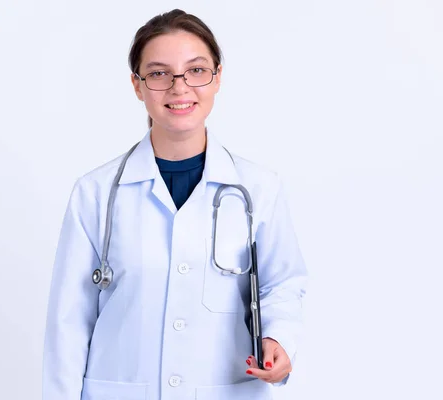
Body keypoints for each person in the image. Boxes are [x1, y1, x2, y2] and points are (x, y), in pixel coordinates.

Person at [42, 9, 308, 400]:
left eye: (196, 70)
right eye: (159, 73)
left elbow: (283, 282)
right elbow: (68, 323)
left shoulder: (259, 189)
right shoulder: (95, 193)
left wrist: (279, 337)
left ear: (217, 77)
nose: (179, 87)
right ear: (137, 85)